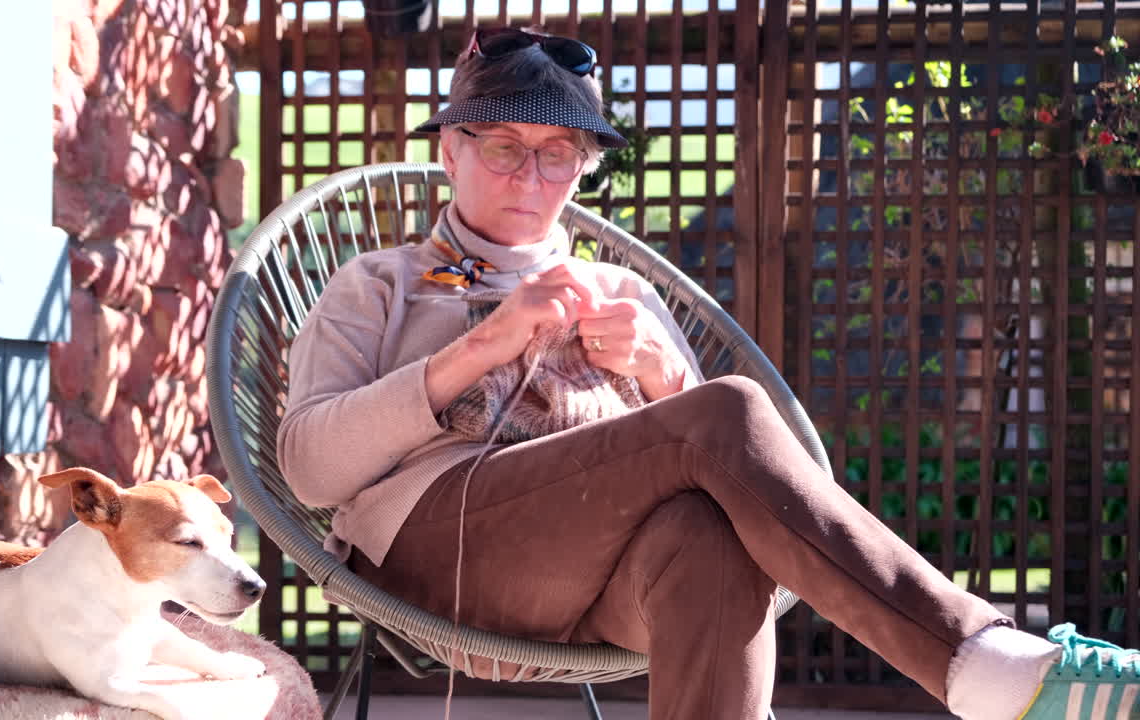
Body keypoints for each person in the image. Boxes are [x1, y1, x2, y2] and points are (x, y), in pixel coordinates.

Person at [277, 26, 1140, 720]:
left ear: (583, 167)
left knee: (712, 541)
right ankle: (971, 659)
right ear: (452, 152)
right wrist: (479, 346)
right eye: (504, 146)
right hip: (437, 556)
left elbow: (724, 466)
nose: (531, 176)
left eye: (557, 153)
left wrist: (655, 367)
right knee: (727, 407)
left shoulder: (619, 289)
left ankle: (977, 667)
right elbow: (309, 470)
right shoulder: (377, 284)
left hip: (595, 576)